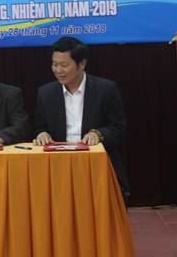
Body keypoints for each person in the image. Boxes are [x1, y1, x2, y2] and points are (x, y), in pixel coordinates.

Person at [33, 37, 130, 196]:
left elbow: (119, 129)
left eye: (64, 65)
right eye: (55, 64)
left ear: (82, 64)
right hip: (58, 164)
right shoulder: (46, 93)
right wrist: (41, 134)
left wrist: (98, 134)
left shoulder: (106, 89)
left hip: (94, 164)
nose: (58, 70)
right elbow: (39, 126)